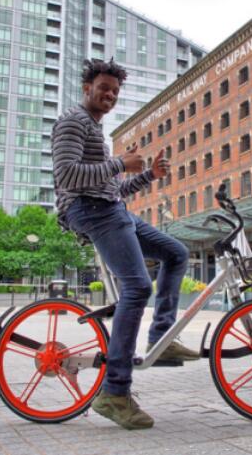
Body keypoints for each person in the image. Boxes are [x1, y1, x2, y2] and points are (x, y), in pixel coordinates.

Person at [52, 58, 200, 430]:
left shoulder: (94, 129)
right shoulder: (72, 121)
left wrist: (148, 175)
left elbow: (111, 188)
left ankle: (162, 338)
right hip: (91, 211)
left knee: (176, 253)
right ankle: (115, 392)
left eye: (115, 91)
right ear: (87, 88)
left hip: (110, 207)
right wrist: (120, 163)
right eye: (104, 88)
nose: (110, 95)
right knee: (137, 287)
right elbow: (67, 174)